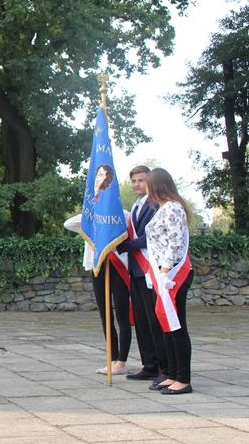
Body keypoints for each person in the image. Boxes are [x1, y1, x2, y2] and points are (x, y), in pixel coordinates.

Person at [144, 168, 194, 395]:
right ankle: (172, 374)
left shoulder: (173, 208)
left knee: (176, 325)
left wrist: (164, 273)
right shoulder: (164, 208)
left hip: (173, 274)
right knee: (166, 324)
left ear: (156, 185)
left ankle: (183, 378)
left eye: (148, 184)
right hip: (162, 273)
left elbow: (175, 242)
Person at [116, 166, 168, 385]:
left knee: (154, 320)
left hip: (150, 269)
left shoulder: (156, 204)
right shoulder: (136, 206)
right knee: (141, 321)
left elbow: (151, 237)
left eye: (141, 180)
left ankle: (164, 368)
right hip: (135, 271)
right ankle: (149, 365)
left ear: (151, 181)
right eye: (134, 181)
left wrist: (125, 246)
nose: (137, 184)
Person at [64, 213, 131, 375]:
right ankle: (112, 359)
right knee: (105, 315)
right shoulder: (90, 214)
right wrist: (94, 213)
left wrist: (108, 214)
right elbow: (69, 224)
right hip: (98, 265)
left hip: (118, 265)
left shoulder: (122, 213)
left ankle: (121, 361)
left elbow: (130, 228)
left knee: (122, 315)